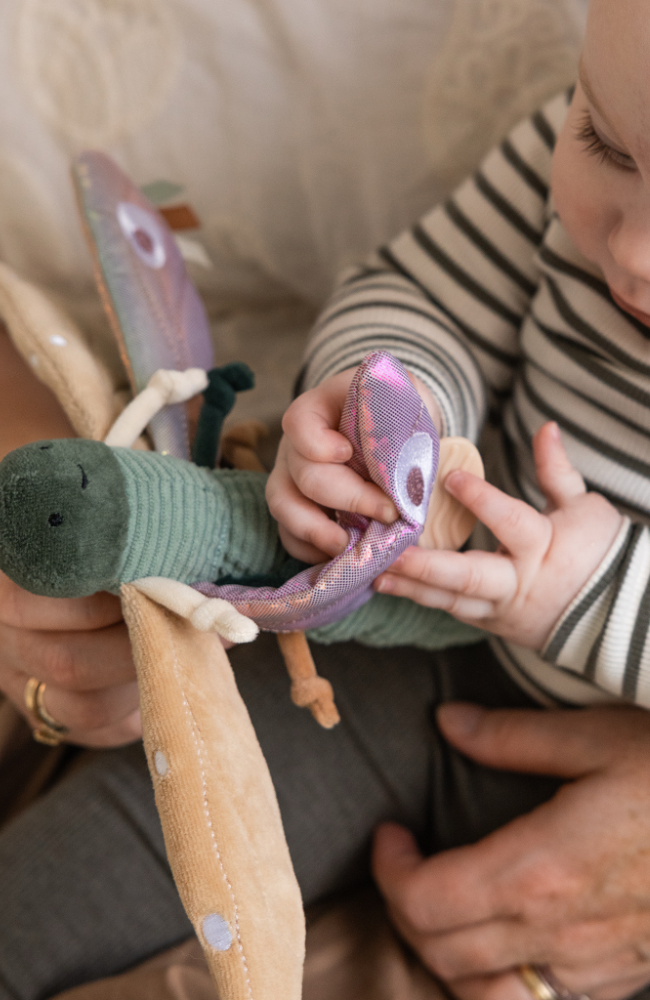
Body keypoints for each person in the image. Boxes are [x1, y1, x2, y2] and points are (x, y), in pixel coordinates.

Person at [2, 5, 649, 1000]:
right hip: (407, 668)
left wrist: (596, 594)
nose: (632, 251)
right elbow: (429, 295)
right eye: (601, 140)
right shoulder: (567, 161)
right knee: (126, 849)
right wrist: (390, 397)